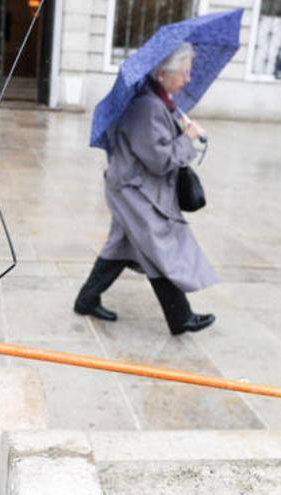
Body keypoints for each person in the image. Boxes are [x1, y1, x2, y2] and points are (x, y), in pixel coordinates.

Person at [74, 43, 218, 336]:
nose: (188, 79)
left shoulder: (160, 102)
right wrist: (188, 138)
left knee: (122, 245)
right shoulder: (148, 106)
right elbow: (160, 160)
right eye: (185, 72)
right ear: (164, 74)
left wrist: (181, 128)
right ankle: (181, 317)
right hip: (135, 191)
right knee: (158, 249)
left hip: (133, 187)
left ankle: (86, 299)